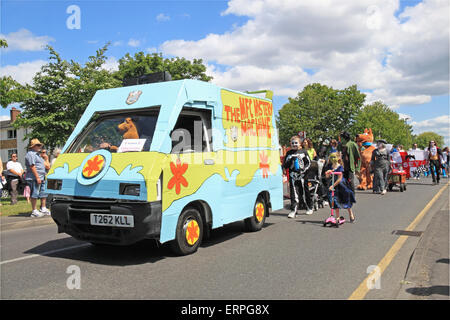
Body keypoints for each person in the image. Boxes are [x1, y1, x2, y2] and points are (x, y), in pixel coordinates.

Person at [283, 135, 313, 218]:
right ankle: (293, 210)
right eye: (292, 143)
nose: (294, 144)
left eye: (296, 143)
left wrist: (303, 170)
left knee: (304, 191)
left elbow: (309, 163)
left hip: (303, 176)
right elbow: (285, 164)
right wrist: (288, 162)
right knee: (294, 193)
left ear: (300, 144)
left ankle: (309, 207)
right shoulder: (289, 153)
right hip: (293, 176)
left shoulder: (303, 152)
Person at [325, 152, 356, 223]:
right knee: (334, 200)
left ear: (338, 158)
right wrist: (328, 173)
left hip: (341, 185)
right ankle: (337, 217)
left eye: (334, 157)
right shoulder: (330, 166)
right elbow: (327, 177)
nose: (333, 159)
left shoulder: (340, 167)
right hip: (332, 183)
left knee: (345, 200)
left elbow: (339, 179)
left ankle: (351, 214)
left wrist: (333, 185)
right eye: (331, 157)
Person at [25, 139, 51, 217]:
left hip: (41, 177)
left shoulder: (38, 155)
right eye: (38, 145)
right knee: (34, 193)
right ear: (33, 146)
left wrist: (46, 158)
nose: (40, 147)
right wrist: (37, 177)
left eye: (40, 145)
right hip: (34, 178)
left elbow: (47, 166)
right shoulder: (31, 154)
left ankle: (43, 208)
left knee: (43, 193)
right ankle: (34, 211)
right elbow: (32, 166)